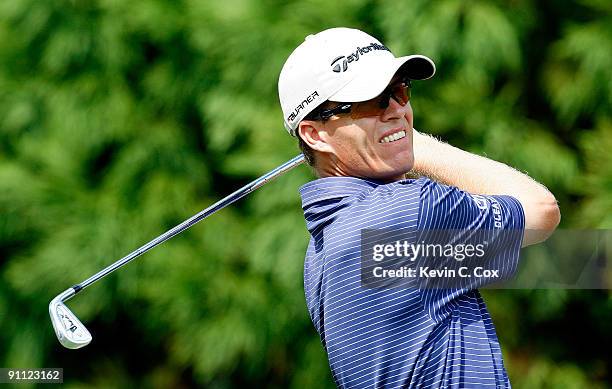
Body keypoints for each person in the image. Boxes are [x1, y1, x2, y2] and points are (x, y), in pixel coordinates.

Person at [278, 27, 560, 388]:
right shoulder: (412, 211)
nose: (398, 110)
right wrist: (417, 144)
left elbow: (566, 261)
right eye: (372, 101)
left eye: (400, 90)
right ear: (315, 134)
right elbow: (541, 209)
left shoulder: (320, 253)